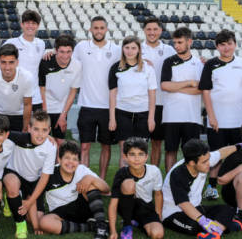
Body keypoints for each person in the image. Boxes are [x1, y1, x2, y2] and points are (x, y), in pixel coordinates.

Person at [199, 29, 242, 199]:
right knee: (216, 156)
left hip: (240, 121)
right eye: (222, 45)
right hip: (218, 121)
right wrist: (212, 116)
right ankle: (212, 187)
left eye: (229, 44)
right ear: (217, 47)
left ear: (235, 45)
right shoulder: (211, 65)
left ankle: (238, 185)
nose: (226, 48)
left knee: (240, 156)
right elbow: (206, 92)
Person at [161, 139, 242, 239]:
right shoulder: (178, 174)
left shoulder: (203, 158)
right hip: (173, 213)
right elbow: (184, 204)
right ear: (191, 163)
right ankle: (224, 226)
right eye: (205, 162)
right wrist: (202, 220)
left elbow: (221, 153)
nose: (209, 164)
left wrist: (239, 146)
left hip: (196, 208)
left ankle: (214, 232)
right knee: (194, 226)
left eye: (208, 159)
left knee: (229, 209)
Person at [73, 16, 120, 178]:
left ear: (106, 29)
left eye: (101, 28)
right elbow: (67, 61)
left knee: (105, 146)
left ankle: (101, 181)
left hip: (108, 107)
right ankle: (84, 180)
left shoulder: (116, 49)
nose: (98, 31)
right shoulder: (81, 47)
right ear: (90, 29)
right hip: (87, 105)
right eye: (96, 28)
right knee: (84, 146)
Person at [38, 140, 111, 239]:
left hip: (81, 207)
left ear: (79, 161)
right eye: (67, 158)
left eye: (75, 159)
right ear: (59, 159)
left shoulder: (81, 169)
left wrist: (91, 178)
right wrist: (38, 221)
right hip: (60, 213)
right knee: (44, 223)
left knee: (90, 185)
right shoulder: (50, 173)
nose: (70, 162)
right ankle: (91, 226)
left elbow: (106, 189)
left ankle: (101, 225)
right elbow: (37, 196)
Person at [2, 111, 57, 238]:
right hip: (14, 173)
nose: (40, 134)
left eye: (44, 130)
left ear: (49, 130)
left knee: (35, 219)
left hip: (33, 180)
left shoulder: (51, 147)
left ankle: (12, 199)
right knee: (12, 184)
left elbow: (44, 178)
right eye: (36, 129)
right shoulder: (20, 138)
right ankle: (20, 225)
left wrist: (30, 202)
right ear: (29, 128)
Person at [108, 35, 157, 167]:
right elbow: (112, 95)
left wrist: (151, 118)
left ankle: (139, 186)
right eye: (127, 47)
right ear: (123, 49)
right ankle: (122, 185)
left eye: (133, 48)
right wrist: (112, 118)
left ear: (139, 50)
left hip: (143, 114)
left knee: (140, 153)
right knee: (125, 154)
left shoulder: (148, 68)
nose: (130, 51)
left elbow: (152, 94)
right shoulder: (116, 68)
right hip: (122, 113)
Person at [160, 27, 204, 171]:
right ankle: (169, 183)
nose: (176, 46)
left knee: (192, 153)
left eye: (180, 42)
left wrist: (176, 87)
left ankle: (189, 184)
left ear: (189, 42)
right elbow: (165, 85)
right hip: (171, 115)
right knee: (170, 151)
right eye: (175, 43)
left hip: (192, 117)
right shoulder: (168, 62)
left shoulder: (199, 64)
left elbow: (200, 90)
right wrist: (189, 82)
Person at [107, 137, 164, 239]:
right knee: (129, 183)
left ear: (146, 156)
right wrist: (113, 231)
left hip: (145, 208)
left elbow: (158, 194)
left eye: (141, 154)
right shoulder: (121, 173)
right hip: (126, 206)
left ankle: (137, 222)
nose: (136, 159)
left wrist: (158, 216)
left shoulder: (154, 171)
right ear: (125, 157)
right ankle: (127, 224)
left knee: (157, 234)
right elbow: (113, 204)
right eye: (132, 154)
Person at [140, 18, 176, 167]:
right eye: (149, 29)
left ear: (160, 31)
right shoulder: (137, 49)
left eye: (155, 29)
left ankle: (153, 175)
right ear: (144, 31)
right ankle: (139, 178)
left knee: (156, 143)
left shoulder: (169, 50)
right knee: (139, 144)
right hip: (141, 103)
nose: (152, 32)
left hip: (161, 102)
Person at [39, 35, 82, 147]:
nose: (65, 55)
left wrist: (63, 115)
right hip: (45, 106)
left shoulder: (77, 66)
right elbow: (41, 89)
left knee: (60, 142)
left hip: (61, 108)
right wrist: (44, 113)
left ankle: (57, 165)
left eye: (68, 52)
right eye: (62, 52)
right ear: (56, 51)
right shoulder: (45, 61)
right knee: (42, 141)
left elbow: (73, 92)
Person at [3, 10, 46, 112]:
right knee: (17, 128)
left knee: (35, 127)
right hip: (16, 96)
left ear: (38, 26)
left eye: (33, 23)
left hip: (35, 98)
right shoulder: (11, 42)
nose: (30, 26)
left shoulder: (41, 43)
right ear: (22, 25)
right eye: (27, 23)